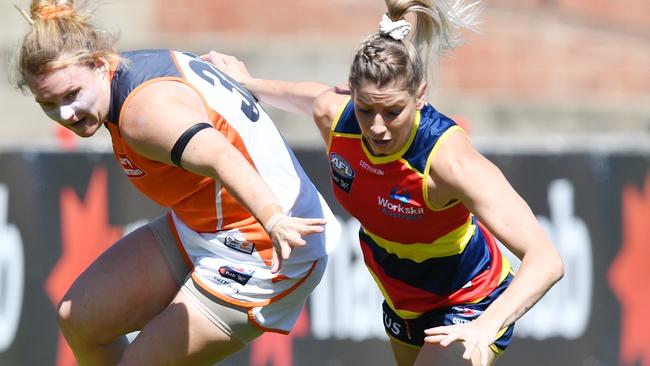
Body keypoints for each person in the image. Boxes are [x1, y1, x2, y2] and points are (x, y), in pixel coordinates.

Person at [204, 0, 564, 365]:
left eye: (392, 112)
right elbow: (311, 97)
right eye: (365, 109)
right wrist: (247, 82)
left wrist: (487, 327)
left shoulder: (449, 163)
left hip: (469, 299)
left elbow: (546, 259)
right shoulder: (336, 118)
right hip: (401, 298)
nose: (377, 127)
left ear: (420, 95)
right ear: (352, 94)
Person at [11, 1, 340, 365]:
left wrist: (274, 218)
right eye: (48, 103)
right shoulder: (128, 71)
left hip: (269, 249)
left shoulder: (142, 115)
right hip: (204, 225)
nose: (65, 114)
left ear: (101, 63)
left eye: (71, 95)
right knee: (80, 319)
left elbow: (222, 156)